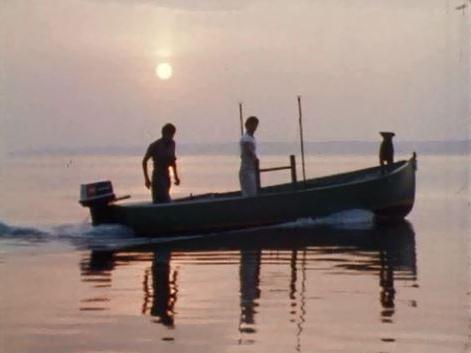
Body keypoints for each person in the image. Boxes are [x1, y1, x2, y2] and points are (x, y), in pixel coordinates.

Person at [142, 123, 180, 203]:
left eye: (173, 134)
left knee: (165, 198)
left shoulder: (172, 144)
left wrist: (176, 176)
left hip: (166, 175)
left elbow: (172, 162)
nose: (172, 136)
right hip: (157, 176)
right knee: (162, 199)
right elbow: (144, 161)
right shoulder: (155, 145)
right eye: (170, 134)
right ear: (164, 133)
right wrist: (146, 179)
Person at [239, 116, 259, 197]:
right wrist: (255, 158)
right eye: (253, 125)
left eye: (256, 125)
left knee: (253, 192)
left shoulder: (252, 138)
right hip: (246, 170)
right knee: (249, 193)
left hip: (252, 169)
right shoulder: (246, 138)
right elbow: (249, 150)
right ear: (248, 125)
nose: (255, 127)